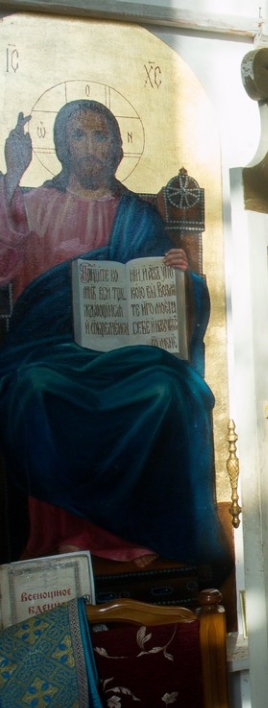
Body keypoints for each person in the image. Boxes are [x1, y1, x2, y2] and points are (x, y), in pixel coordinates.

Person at [0, 100, 226, 566]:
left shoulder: (138, 216)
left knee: (170, 390)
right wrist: (12, 177)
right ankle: (68, 533)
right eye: (78, 135)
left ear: (117, 148)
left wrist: (181, 274)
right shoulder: (34, 205)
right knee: (33, 390)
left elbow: (172, 297)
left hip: (127, 354)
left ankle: (142, 531)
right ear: (62, 145)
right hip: (49, 351)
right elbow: (3, 266)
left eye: (100, 136)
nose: (89, 147)